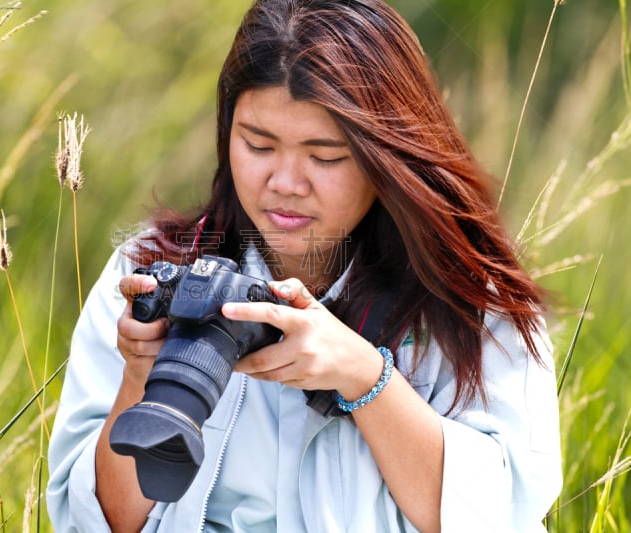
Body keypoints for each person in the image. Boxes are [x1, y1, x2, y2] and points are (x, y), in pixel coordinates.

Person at [46, 0, 563, 531]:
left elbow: (504, 512)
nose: (286, 182)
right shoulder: (149, 271)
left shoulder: (470, 300)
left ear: (387, 153)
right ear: (226, 134)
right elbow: (92, 520)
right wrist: (141, 378)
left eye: (326, 156)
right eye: (258, 144)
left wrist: (364, 376)